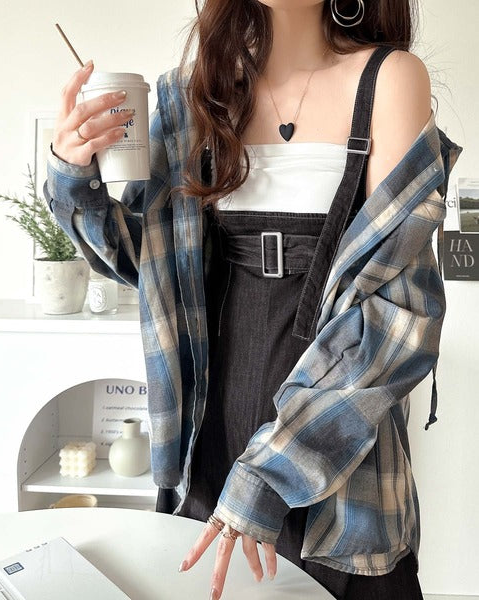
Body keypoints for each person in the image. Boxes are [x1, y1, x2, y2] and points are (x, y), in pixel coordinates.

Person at [45, 1, 462, 598]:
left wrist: (268, 475)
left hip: (338, 461)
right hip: (209, 445)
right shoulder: (189, 97)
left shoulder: (389, 80)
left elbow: (397, 318)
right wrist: (73, 172)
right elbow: (151, 267)